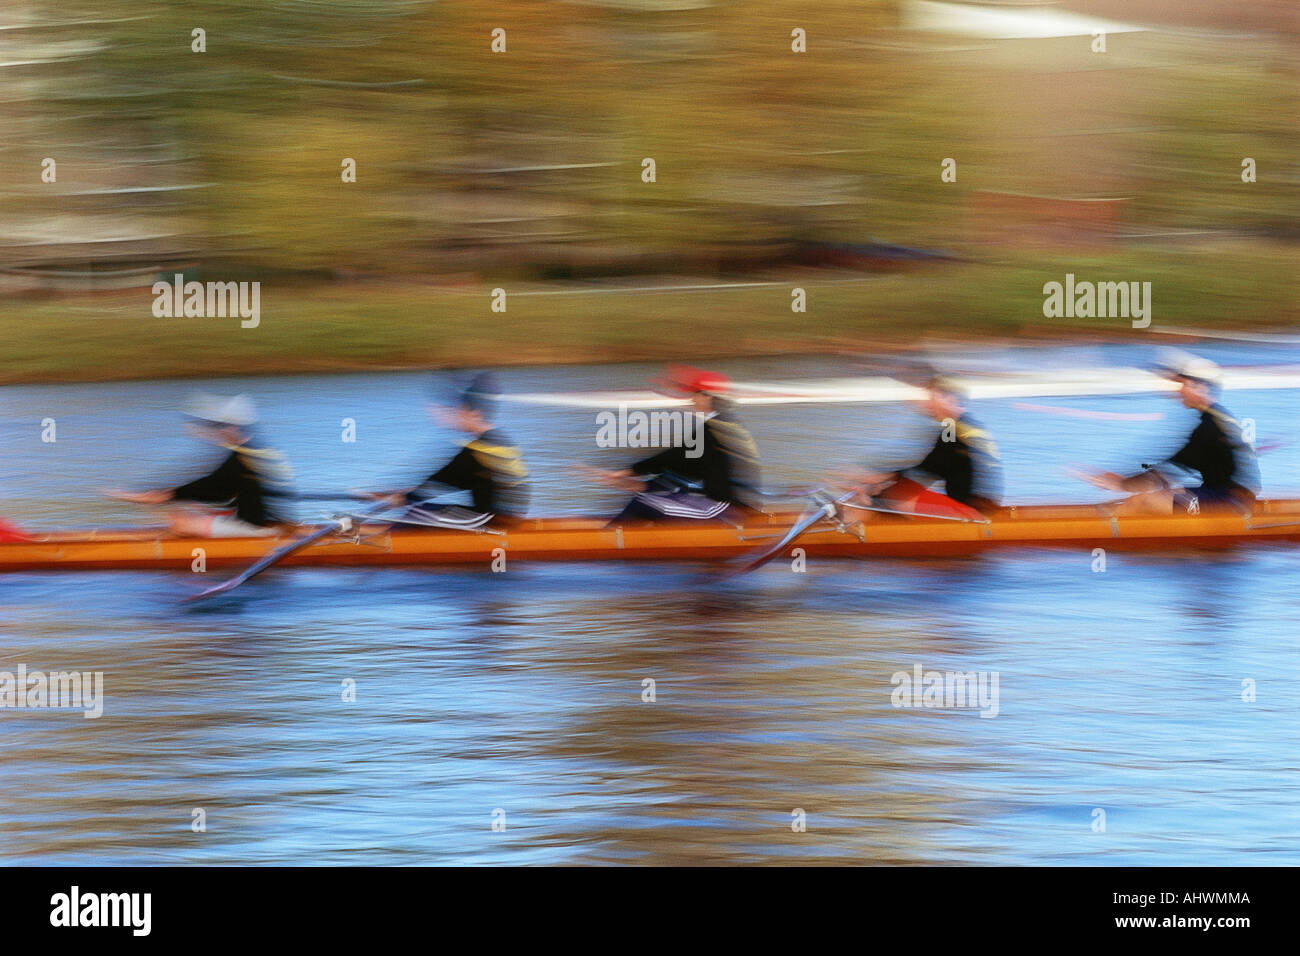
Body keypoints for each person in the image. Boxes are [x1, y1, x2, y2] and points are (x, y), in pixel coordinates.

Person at [1083, 352, 1260, 514]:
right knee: (1149, 498)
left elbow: (1167, 473)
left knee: (1144, 500)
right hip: (1222, 496)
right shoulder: (1217, 418)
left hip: (1228, 504)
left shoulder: (1209, 428)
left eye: (1183, 385)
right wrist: (1125, 482)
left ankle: (1098, 531)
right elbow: (1170, 473)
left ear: (1202, 387)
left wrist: (1121, 483)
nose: (1179, 391)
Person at [586, 366, 761, 524]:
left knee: (644, 500)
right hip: (735, 505)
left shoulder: (711, 431)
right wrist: (637, 481)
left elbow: (675, 457)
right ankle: (629, 538)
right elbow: (688, 468)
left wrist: (625, 474)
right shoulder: (727, 424)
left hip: (723, 510)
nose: (690, 399)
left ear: (708, 397)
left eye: (694, 394)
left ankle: (605, 542)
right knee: (657, 488)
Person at [106, 394, 294, 536]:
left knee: (179, 522)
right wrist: (175, 498)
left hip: (255, 529)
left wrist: (167, 495)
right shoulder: (260, 451)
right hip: (268, 522)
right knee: (186, 511)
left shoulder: (242, 459)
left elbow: (213, 486)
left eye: (220, 426)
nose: (217, 431)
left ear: (234, 428)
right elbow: (224, 491)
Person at [366, 373, 529, 527]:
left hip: (492, 521)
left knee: (417, 513)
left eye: (459, 411)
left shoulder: (476, 452)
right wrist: (391, 495)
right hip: (505, 518)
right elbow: (440, 483)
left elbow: (433, 485)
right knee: (422, 510)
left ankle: (379, 545)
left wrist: (399, 498)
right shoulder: (500, 441)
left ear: (475, 413)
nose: (455, 416)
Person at [837, 376, 1002, 517]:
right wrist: (881, 481)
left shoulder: (957, 429)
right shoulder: (957, 426)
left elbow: (932, 467)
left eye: (932, 399)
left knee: (898, 494)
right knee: (893, 490)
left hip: (975, 513)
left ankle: (861, 517)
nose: (928, 406)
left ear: (950, 399)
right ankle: (867, 509)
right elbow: (931, 466)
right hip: (976, 507)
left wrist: (882, 478)